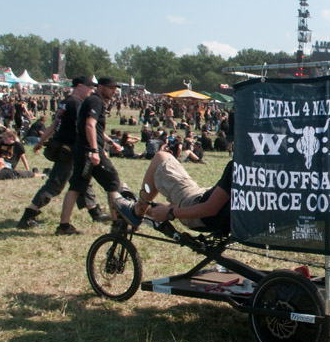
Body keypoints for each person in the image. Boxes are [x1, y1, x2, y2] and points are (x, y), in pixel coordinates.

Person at [18, 78, 110, 229]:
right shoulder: (76, 104)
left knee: (82, 179)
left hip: (67, 147)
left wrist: (41, 141)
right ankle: (28, 215)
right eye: (89, 87)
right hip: (69, 149)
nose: (92, 91)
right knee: (55, 184)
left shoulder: (65, 102)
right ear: (79, 86)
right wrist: (97, 147)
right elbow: (83, 127)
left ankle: (95, 212)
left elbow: (55, 124)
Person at [57, 77, 124, 235]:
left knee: (76, 186)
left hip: (81, 149)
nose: (114, 91)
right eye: (111, 88)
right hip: (89, 151)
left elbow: (95, 128)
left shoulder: (91, 101)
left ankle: (63, 226)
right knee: (112, 181)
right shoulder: (95, 101)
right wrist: (94, 150)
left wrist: (107, 143)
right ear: (100, 87)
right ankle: (116, 224)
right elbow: (90, 124)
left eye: (115, 88)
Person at [114, 151, 233, 234]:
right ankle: (148, 209)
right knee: (175, 202)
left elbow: (210, 209)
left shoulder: (238, 165)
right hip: (223, 212)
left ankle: (138, 210)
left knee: (161, 157)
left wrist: (170, 213)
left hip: (201, 210)